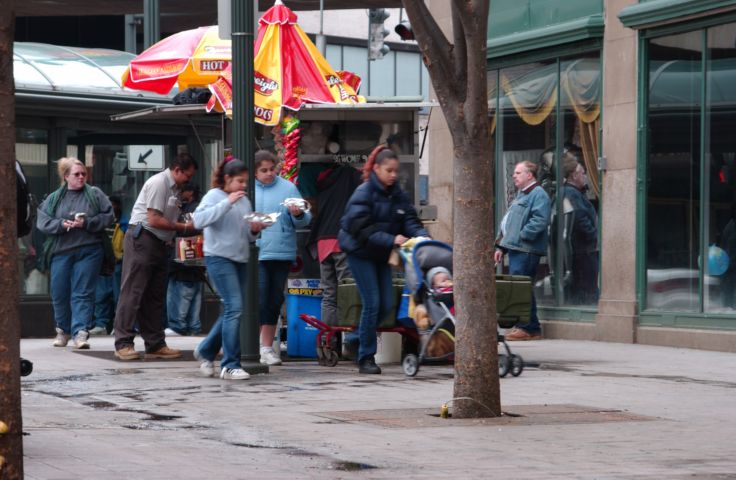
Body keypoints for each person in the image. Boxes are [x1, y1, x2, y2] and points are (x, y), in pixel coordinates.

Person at [339, 144, 429, 374]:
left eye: (395, 171)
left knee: (386, 304)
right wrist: (392, 239)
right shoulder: (364, 193)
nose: (393, 175)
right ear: (377, 168)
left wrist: (422, 237)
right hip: (360, 252)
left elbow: (409, 219)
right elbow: (361, 229)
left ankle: (356, 336)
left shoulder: (397, 193)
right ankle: (366, 357)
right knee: (373, 302)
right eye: (389, 170)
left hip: (381, 253)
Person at [113, 153, 198, 361]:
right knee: (133, 291)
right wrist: (184, 227)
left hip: (159, 242)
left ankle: (155, 343)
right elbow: (154, 219)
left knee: (154, 295)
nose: (189, 181)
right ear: (177, 170)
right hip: (144, 239)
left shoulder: (175, 189)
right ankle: (123, 342)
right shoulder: (159, 183)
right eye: (187, 176)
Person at [192, 158, 266, 380]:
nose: (243, 185)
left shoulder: (245, 201)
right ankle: (230, 364)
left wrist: (255, 229)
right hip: (219, 258)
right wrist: (227, 202)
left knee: (231, 310)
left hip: (240, 259)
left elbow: (245, 234)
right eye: (239, 181)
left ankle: (206, 350)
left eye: (245, 181)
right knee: (235, 307)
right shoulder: (214, 196)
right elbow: (199, 220)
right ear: (227, 179)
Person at [36, 157, 114, 349]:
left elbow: (109, 216)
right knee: (59, 292)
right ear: (66, 176)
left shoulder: (95, 194)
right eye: (76, 174)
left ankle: (81, 333)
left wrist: (86, 223)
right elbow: (42, 222)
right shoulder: (54, 198)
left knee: (83, 293)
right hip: (61, 251)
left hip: (90, 250)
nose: (81, 177)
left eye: (83, 174)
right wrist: (61, 225)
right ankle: (63, 330)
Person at [255, 150, 313, 366]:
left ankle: (266, 347)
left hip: (281, 252)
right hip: (258, 252)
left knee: (274, 300)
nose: (269, 174)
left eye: (272, 169)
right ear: (255, 171)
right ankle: (254, 345)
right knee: (259, 299)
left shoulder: (288, 188)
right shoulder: (247, 189)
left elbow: (305, 219)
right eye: (263, 170)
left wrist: (298, 214)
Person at [494, 160, 551, 341]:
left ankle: (527, 328)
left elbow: (540, 220)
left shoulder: (538, 194)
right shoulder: (521, 195)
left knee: (521, 288)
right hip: (516, 248)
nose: (514, 176)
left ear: (529, 175)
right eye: (514, 173)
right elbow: (508, 222)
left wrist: (522, 235)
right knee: (523, 288)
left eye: (518, 173)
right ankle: (531, 327)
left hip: (526, 249)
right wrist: (501, 246)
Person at [306, 164, 362, 326]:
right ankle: (346, 336)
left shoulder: (323, 184)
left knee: (329, 293)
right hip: (341, 241)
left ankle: (327, 338)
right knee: (346, 290)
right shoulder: (353, 181)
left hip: (323, 242)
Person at [166, 183, 205, 336]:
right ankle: (193, 325)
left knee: (180, 292)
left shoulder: (188, 210)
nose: (179, 194)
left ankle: (178, 324)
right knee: (193, 293)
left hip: (183, 261)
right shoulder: (196, 208)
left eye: (182, 191)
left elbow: (188, 230)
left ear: (190, 192)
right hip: (195, 262)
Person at [561, 158, 599, 305]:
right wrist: (593, 236)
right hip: (583, 251)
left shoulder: (571, 192)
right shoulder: (571, 193)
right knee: (586, 291)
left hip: (581, 250)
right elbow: (579, 219)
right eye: (583, 173)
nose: (585, 176)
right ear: (574, 175)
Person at [89, 195, 125, 335]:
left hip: (117, 263)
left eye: (113, 204)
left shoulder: (123, 223)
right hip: (103, 263)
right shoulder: (101, 222)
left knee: (119, 296)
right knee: (101, 295)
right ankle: (101, 324)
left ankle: (119, 324)